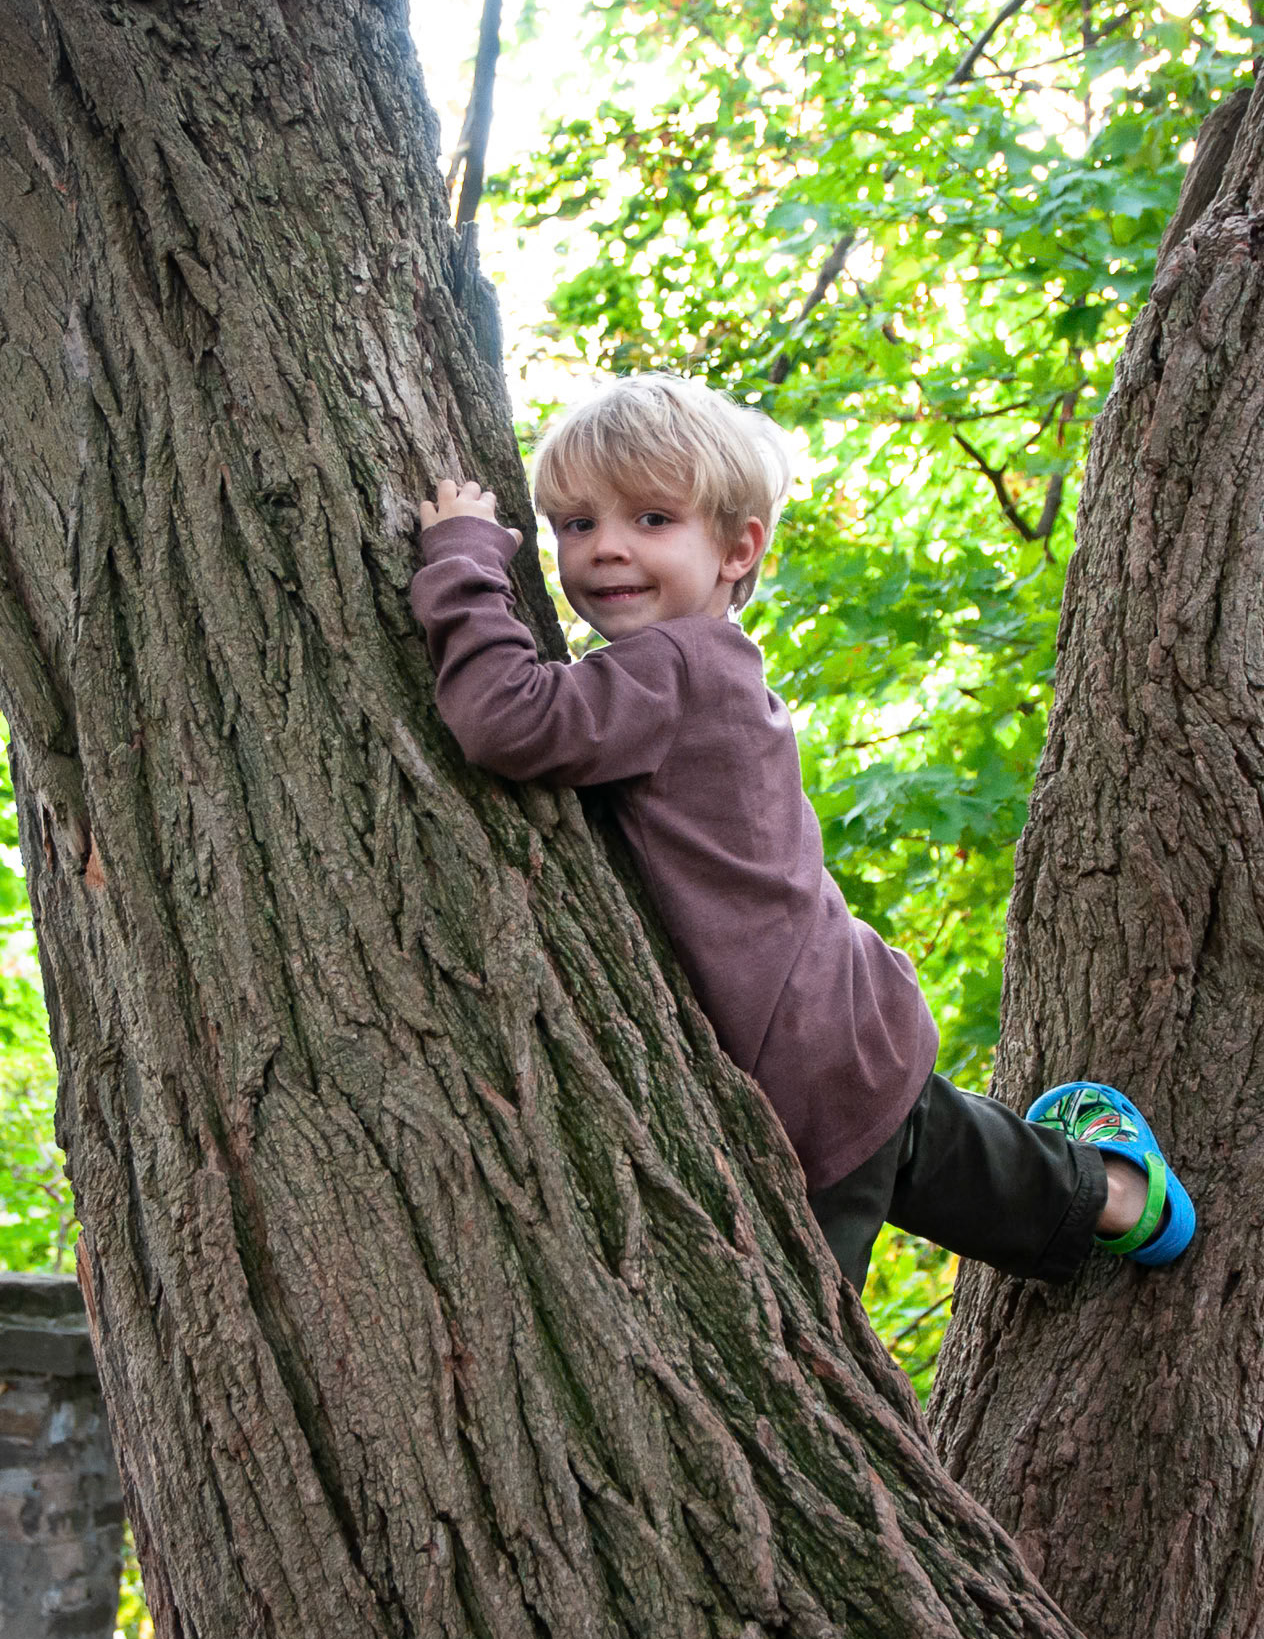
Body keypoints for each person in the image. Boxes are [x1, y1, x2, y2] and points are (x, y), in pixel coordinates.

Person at [410, 374, 1195, 1294]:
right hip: (836, 1020)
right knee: (930, 1153)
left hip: (793, 1059)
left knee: (798, 1312)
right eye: (576, 525)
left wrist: (461, 558)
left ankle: (1098, 1197)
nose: (605, 549)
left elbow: (505, 719)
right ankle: (1121, 1198)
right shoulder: (695, 668)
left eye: (652, 519)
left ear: (738, 548)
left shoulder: (677, 665)